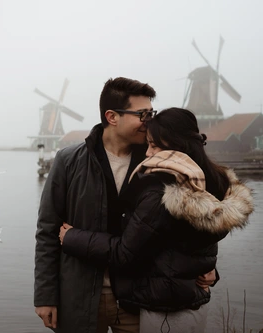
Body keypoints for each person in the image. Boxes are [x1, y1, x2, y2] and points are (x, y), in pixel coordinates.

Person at [34, 78, 215, 333]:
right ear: (112, 117)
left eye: (151, 113)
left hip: (139, 298)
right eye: (143, 114)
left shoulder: (159, 160)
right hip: (81, 295)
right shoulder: (68, 161)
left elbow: (190, 222)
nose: (149, 121)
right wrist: (45, 295)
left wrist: (208, 268)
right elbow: (47, 231)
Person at [59, 107, 254, 332]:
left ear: (177, 147)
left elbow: (124, 253)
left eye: (154, 145)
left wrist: (73, 237)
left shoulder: (161, 193)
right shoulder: (210, 182)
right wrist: (209, 272)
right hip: (194, 303)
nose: (148, 153)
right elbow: (190, 248)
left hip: (164, 310)